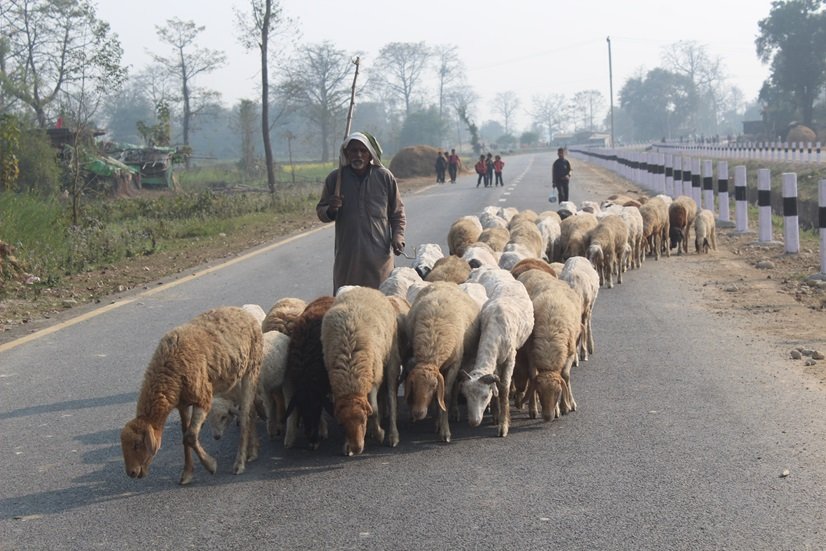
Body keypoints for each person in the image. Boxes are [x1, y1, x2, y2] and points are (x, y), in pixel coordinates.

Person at [316, 131, 406, 293]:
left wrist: (398, 236)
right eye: (353, 151)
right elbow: (321, 212)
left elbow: (397, 212)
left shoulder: (385, 177)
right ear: (346, 154)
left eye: (363, 151)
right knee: (347, 300)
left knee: (382, 300)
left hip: (379, 256)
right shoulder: (335, 179)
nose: (358, 155)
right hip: (348, 255)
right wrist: (331, 208)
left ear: (370, 154)